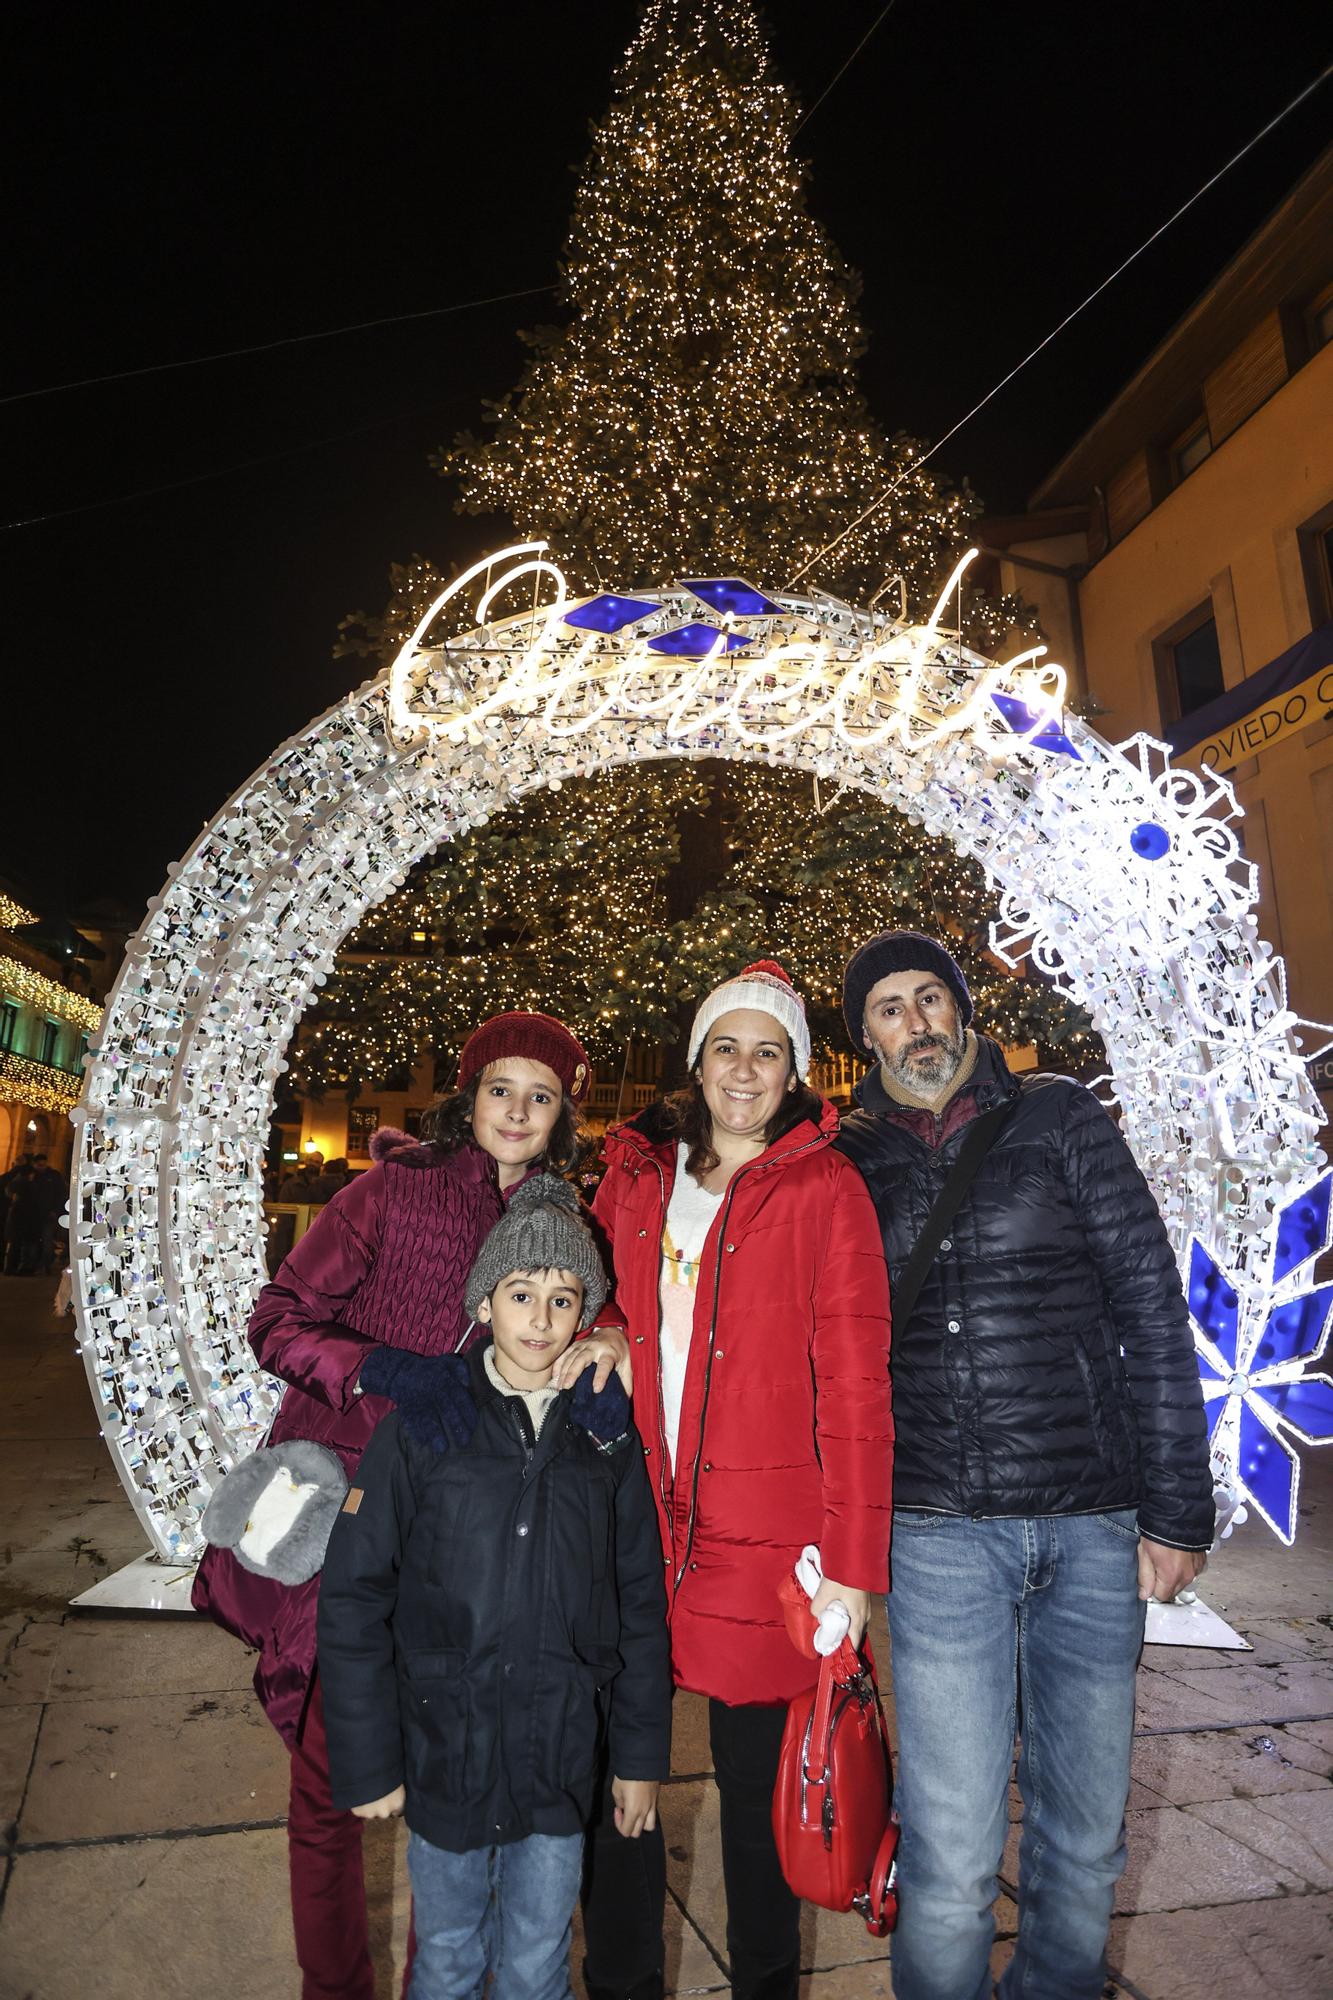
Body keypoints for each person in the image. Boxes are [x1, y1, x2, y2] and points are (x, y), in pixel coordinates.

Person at [194, 1010, 618, 2000]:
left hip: (473, 1541)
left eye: (541, 1094)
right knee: (330, 1779)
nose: (517, 1109)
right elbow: (277, 1317)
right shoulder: (391, 1189)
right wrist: (381, 1368)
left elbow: (593, 1308)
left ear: (563, 1114)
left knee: (447, 1788)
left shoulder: (565, 1215)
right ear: (467, 1096)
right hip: (352, 1514)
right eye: (500, 1088)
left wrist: (615, 1333)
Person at [833, 930, 1214, 2000]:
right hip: (940, 1531)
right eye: (889, 1010)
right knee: (950, 1853)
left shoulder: (1058, 1117)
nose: (916, 1023)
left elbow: (1149, 1300)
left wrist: (1176, 1510)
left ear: (962, 1008)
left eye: (929, 999)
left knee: (1082, 1837)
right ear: (864, 1037)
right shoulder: (850, 1154)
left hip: (1091, 1522)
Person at [572, 960, 894, 2000]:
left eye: (768, 1050)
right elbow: (584, 1302)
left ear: (794, 1069)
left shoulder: (825, 1188)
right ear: (696, 1060)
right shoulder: (633, 1177)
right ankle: (622, 1981)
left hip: (768, 1543)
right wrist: (607, 1329)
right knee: (618, 1792)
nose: (744, 1069)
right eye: (726, 1046)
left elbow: (854, 1380)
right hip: (631, 1524)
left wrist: (849, 1566)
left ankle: (765, 1985)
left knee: (767, 1804)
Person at [318, 1176, 672, 2000]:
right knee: (444, 1956)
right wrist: (369, 1762)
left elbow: (639, 1610)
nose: (540, 1320)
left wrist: (640, 1758)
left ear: (587, 1315)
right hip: (449, 1759)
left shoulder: (603, 1437)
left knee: (536, 1960)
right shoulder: (424, 1428)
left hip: (557, 1769)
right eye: (520, 1294)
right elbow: (355, 1595)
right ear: (484, 1305)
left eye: (562, 1298)